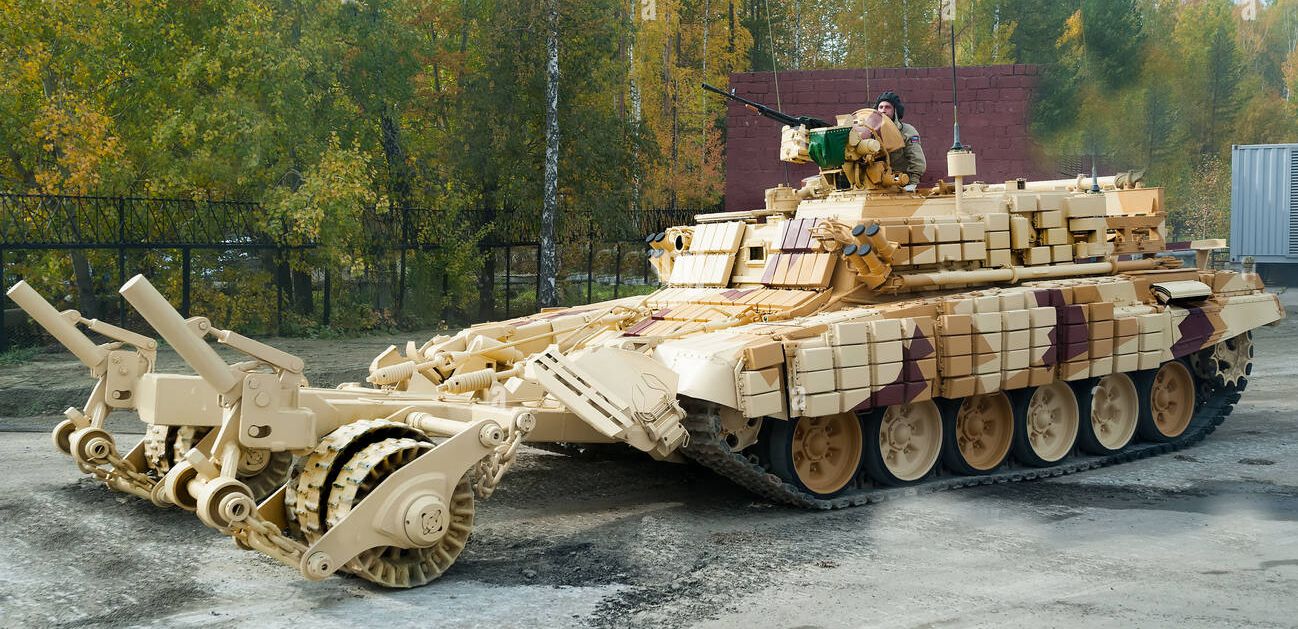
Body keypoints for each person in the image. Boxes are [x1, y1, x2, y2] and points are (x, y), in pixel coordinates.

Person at [874, 91, 925, 192]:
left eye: (887, 107)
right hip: (873, 183)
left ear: (895, 111)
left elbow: (916, 158)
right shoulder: (870, 132)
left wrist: (912, 183)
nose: (883, 110)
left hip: (899, 182)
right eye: (880, 107)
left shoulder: (907, 131)